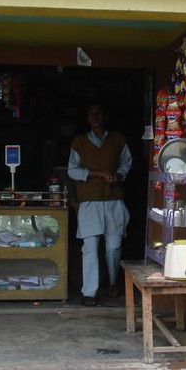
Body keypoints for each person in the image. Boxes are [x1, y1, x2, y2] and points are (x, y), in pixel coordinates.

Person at [68, 103, 132, 306]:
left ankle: (113, 283)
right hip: (89, 202)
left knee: (113, 247)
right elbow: (72, 170)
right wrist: (96, 174)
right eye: (91, 114)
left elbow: (127, 162)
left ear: (105, 116)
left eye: (98, 113)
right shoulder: (79, 142)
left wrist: (118, 175)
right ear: (87, 119)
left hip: (114, 201)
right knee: (90, 247)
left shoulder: (117, 139)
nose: (94, 116)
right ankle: (89, 292)